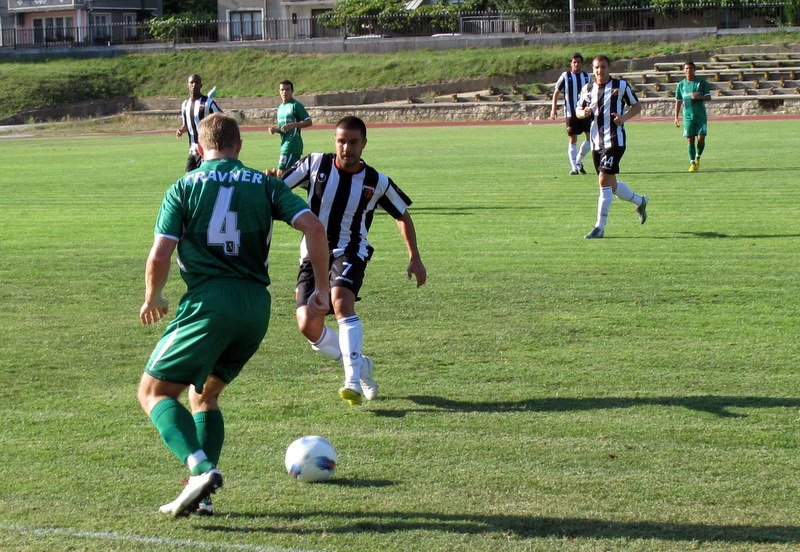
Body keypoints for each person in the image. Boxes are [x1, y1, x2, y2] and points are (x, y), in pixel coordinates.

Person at [138, 113, 330, 517]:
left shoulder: (183, 186)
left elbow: (160, 253)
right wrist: (322, 289)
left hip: (211, 302)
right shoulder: (265, 183)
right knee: (205, 395)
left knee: (153, 392)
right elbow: (314, 227)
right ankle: (202, 498)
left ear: (200, 147)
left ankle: (200, 469)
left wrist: (152, 295)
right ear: (238, 146)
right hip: (255, 309)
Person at [281, 115, 427, 406]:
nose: (346, 148)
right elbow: (279, 189)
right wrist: (271, 181)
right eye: (341, 141)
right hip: (312, 255)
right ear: (334, 141)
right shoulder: (314, 165)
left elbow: (402, 215)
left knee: (339, 301)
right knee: (307, 323)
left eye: (353, 142)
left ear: (364, 144)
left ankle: (352, 380)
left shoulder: (376, 181)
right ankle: (362, 365)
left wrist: (415, 257)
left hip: (351, 250)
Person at [576, 55, 649, 239]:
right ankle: (640, 201)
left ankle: (599, 227)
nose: (599, 70)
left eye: (603, 67)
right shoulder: (588, 89)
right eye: (596, 67)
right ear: (593, 70)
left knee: (602, 181)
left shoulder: (620, 86)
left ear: (609, 68)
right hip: (595, 142)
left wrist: (623, 118)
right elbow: (578, 110)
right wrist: (583, 113)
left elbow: (637, 106)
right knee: (612, 184)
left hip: (615, 141)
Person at [550, 53, 593, 175]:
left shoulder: (587, 76)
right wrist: (553, 109)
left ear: (582, 63)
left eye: (579, 62)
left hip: (585, 112)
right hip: (570, 112)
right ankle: (574, 167)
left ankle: (578, 161)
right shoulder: (565, 76)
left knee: (591, 138)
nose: (576, 64)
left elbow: (592, 93)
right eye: (574, 62)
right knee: (573, 138)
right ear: (571, 63)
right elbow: (556, 92)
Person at [267, 80, 313, 178]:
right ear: (279, 91)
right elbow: (283, 128)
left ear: (292, 91)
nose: (284, 92)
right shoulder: (280, 108)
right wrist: (275, 129)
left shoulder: (296, 106)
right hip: (284, 144)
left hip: (292, 145)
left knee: (281, 174)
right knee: (292, 176)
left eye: (287, 89)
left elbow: (309, 122)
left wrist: (294, 125)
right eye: (282, 90)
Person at [176, 74, 221, 173]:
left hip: (207, 150)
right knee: (189, 179)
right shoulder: (185, 105)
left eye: (197, 82)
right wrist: (180, 130)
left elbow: (222, 119)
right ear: (188, 85)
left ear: (201, 85)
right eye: (191, 82)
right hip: (193, 150)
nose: (194, 85)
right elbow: (186, 125)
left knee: (206, 180)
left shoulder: (208, 103)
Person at [674, 61, 711, 172]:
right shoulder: (681, 85)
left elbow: (709, 97)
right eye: (686, 68)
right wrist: (676, 117)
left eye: (690, 68)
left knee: (701, 138)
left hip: (700, 116)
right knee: (690, 140)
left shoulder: (701, 82)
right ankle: (692, 163)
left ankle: (698, 157)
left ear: (695, 69)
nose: (688, 70)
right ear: (684, 70)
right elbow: (678, 101)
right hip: (688, 117)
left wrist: (699, 96)